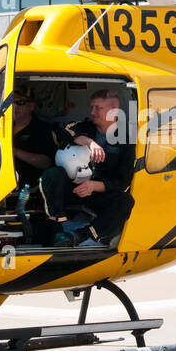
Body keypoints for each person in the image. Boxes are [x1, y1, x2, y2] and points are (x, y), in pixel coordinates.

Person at [39, 88, 135, 247]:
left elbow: (123, 182)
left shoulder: (125, 139)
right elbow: (61, 130)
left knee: (125, 201)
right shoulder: (85, 126)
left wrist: (94, 186)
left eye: (98, 108)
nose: (93, 112)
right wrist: (87, 141)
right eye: (92, 107)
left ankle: (79, 236)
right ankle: (58, 227)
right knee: (52, 174)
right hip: (72, 188)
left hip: (96, 192)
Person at [11, 87, 55, 188]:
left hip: (30, 187)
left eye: (20, 102)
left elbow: (46, 163)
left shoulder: (42, 129)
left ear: (31, 106)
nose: (15, 106)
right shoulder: (3, 126)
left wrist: (15, 152)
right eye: (12, 102)